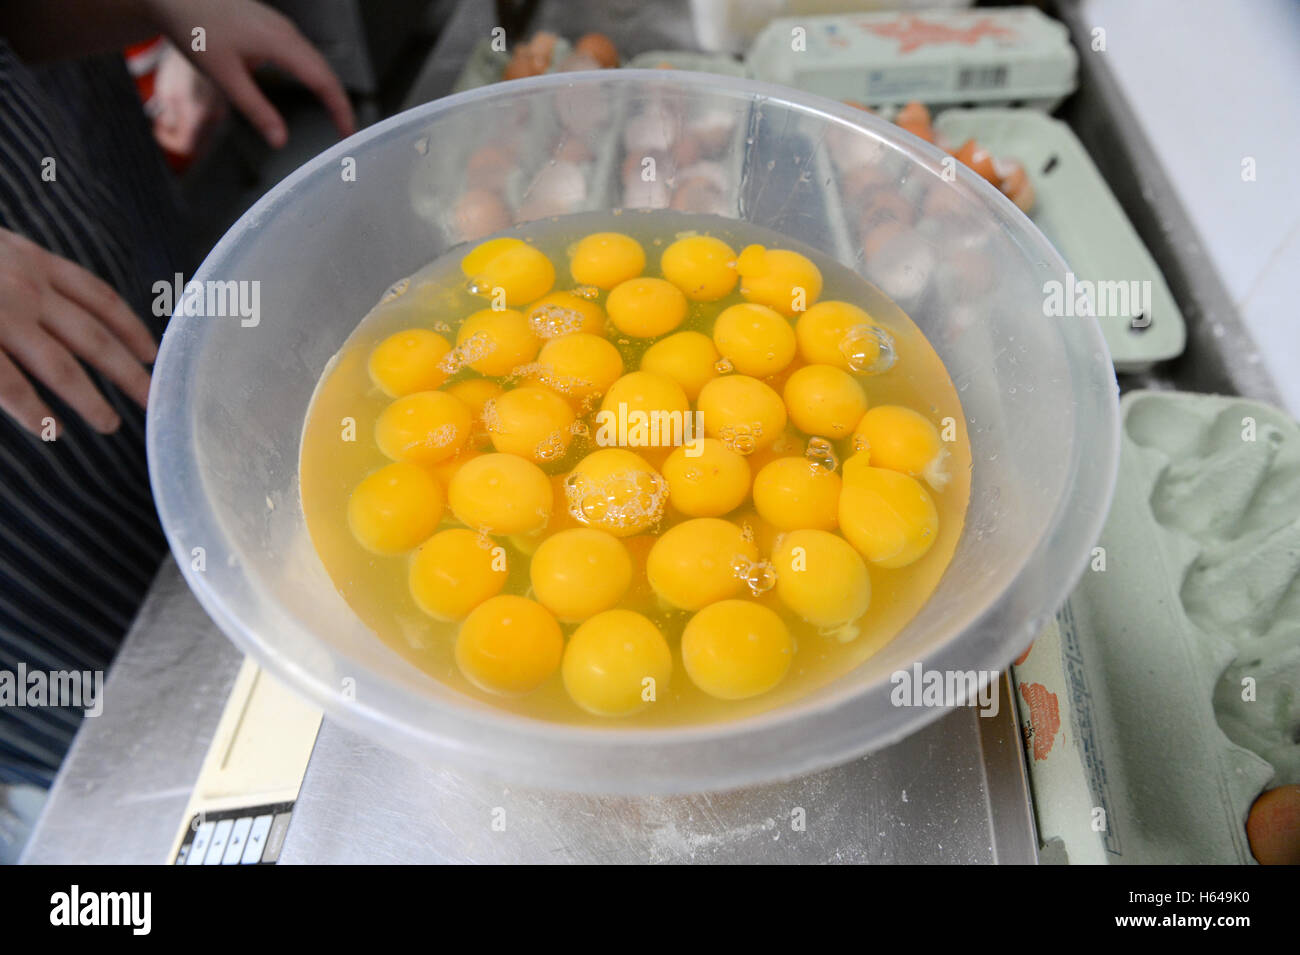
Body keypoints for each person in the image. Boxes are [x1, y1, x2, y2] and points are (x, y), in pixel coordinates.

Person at [0, 0, 354, 799]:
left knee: (252, 529)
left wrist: (159, 8)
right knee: (151, 753)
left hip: (86, 255)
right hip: (34, 568)